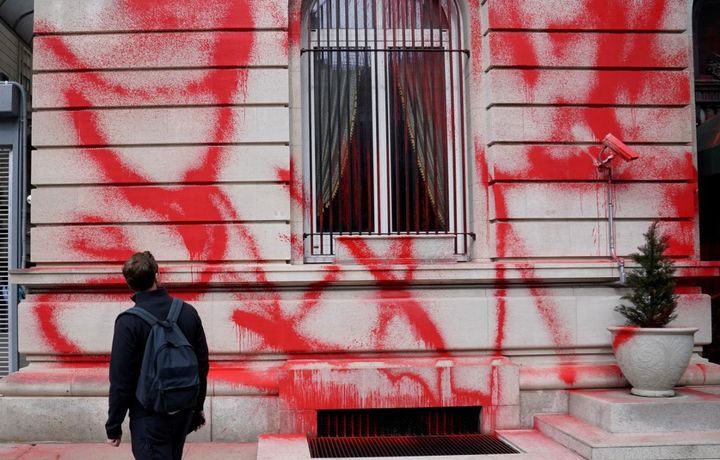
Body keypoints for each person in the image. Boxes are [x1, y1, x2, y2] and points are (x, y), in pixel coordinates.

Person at [106, 251, 209, 459]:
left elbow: (121, 379)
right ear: (157, 275)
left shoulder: (128, 323)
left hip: (148, 415)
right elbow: (202, 363)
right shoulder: (187, 312)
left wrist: (114, 425)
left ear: (130, 284)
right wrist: (197, 407)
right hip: (182, 411)